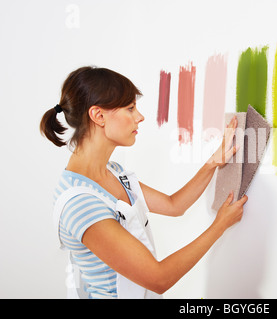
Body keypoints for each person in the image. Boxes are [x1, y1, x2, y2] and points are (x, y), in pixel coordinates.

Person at [39, 66, 248, 299]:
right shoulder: (80, 203)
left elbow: (173, 205)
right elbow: (158, 278)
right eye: (130, 108)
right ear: (98, 116)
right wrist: (219, 225)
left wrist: (212, 162)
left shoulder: (114, 172)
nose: (140, 117)